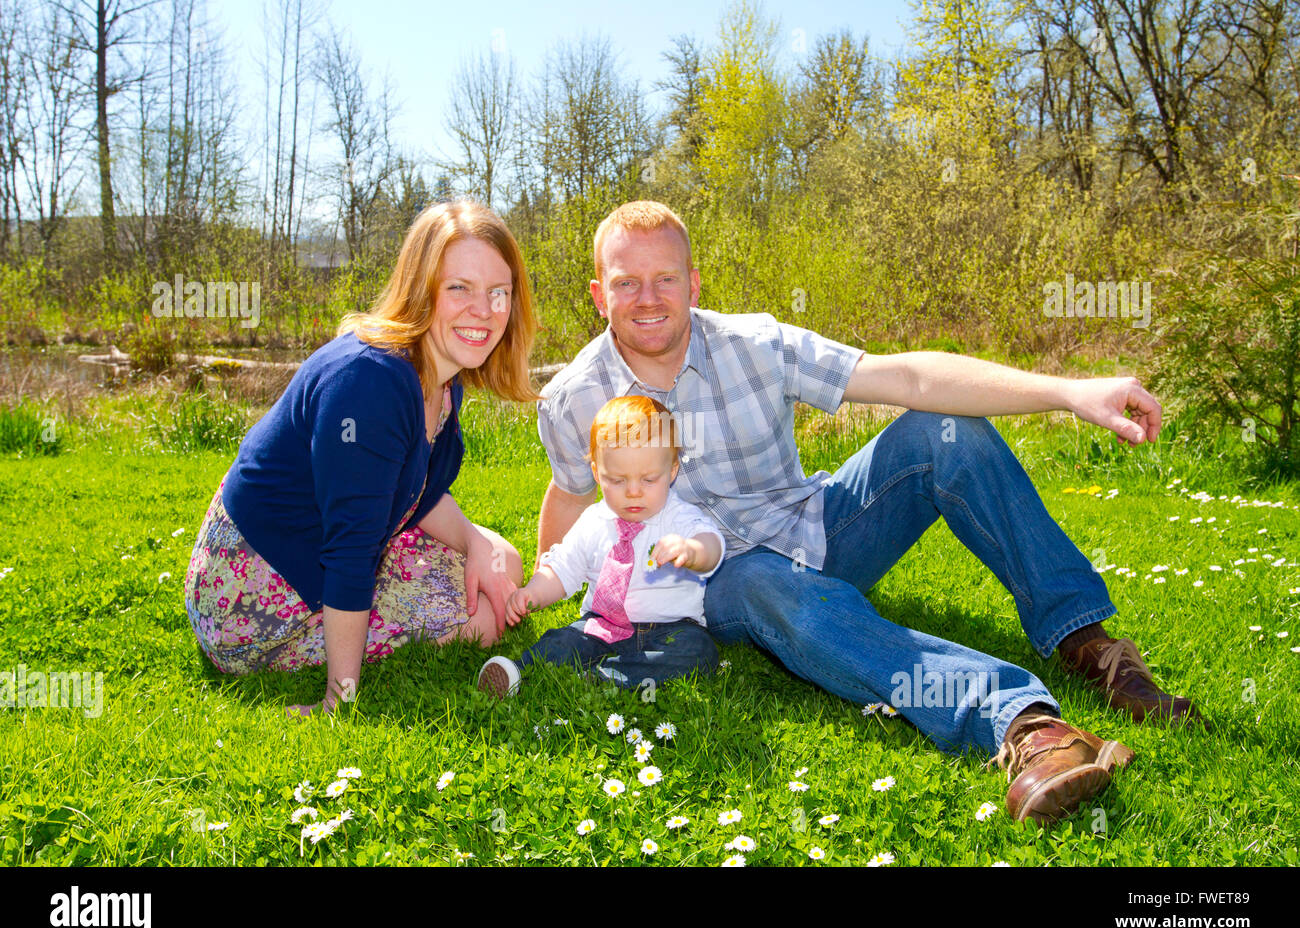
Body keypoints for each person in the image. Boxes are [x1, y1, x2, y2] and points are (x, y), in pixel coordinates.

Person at [533, 199, 1200, 825]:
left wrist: (1069, 391)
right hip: (718, 582)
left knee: (945, 431)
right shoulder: (575, 397)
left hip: (820, 529)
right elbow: (569, 494)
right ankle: (1023, 722)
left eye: (665, 278)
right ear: (598, 294)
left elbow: (907, 379)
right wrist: (549, 599)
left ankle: (1086, 642)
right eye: (626, 283)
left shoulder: (755, 344)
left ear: (694, 283)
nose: (647, 299)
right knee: (761, 579)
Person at [184, 200, 536, 717]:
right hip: (252, 594)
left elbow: (414, 492)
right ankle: (347, 660)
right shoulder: (370, 383)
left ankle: (461, 580)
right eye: (459, 287)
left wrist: (475, 543)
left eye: (498, 292)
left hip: (315, 550)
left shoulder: (442, 377)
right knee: (484, 617)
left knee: (502, 558)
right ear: (422, 288)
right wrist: (338, 701)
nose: (483, 310)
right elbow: (350, 552)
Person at [477, 395, 721, 698]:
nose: (633, 492)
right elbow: (562, 569)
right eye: (617, 480)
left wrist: (692, 551)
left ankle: (606, 678)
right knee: (562, 641)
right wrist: (533, 592)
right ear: (596, 472)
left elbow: (712, 545)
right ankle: (516, 670)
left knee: (697, 650)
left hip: (670, 627)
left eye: (648, 479)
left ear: (671, 471)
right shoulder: (594, 520)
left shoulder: (679, 518)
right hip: (601, 625)